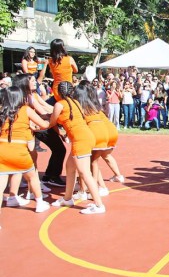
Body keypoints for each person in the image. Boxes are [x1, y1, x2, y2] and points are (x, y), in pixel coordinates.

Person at [49, 81, 105, 214]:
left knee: (85, 172)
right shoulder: (76, 102)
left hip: (81, 140)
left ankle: (99, 205)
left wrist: (37, 125)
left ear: (58, 92)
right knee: (70, 167)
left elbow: (51, 122)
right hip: (85, 136)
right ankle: (67, 198)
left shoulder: (59, 104)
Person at [0, 86, 51, 218]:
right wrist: (52, 120)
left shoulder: (2, 111)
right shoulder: (26, 110)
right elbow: (44, 125)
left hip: (3, 151)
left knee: (1, 185)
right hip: (20, 151)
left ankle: (12, 198)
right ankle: (40, 203)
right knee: (33, 176)